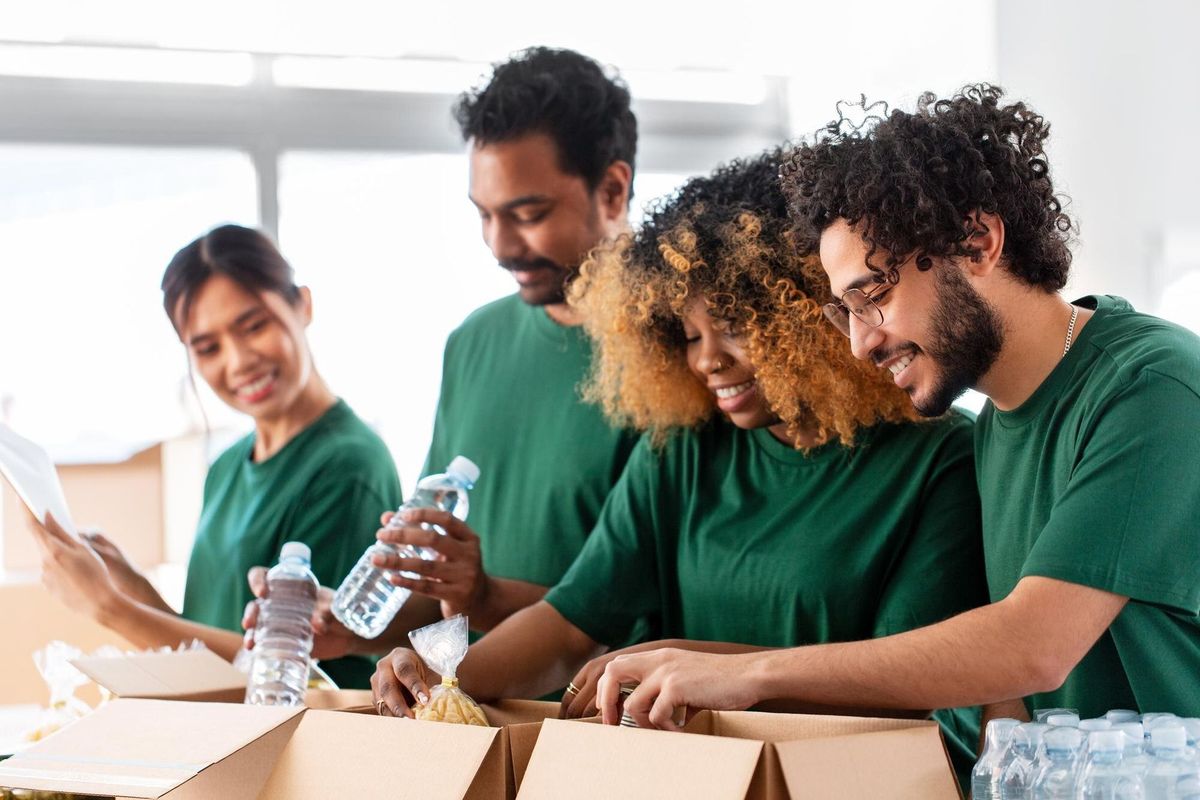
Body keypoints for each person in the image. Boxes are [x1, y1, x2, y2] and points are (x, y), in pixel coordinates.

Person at [370, 148, 992, 782]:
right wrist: (441, 673)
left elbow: (904, 686)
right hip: (691, 780)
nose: (707, 361)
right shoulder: (684, 447)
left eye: (732, 327)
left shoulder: (939, 458)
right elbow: (568, 625)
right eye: (690, 335)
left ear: (814, 312)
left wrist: (693, 663)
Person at [595, 85, 1200, 730]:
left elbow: (1033, 648)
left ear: (977, 242)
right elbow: (1007, 694)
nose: (860, 345)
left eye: (874, 295)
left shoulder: (1152, 385)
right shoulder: (998, 421)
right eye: (845, 312)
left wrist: (748, 675)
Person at [265, 47, 643, 662]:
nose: (499, 245)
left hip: (605, 733)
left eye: (528, 214)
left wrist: (486, 594)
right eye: (485, 215)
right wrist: (347, 622)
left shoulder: (684, 357)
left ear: (612, 188)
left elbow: (646, 621)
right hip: (471, 722)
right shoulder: (474, 342)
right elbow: (445, 591)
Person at [28, 224, 402, 688]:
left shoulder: (348, 466)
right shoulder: (226, 467)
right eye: (207, 348)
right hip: (224, 743)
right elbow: (216, 648)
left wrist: (110, 607)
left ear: (302, 305)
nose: (238, 360)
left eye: (254, 326)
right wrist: (134, 590)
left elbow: (296, 673)